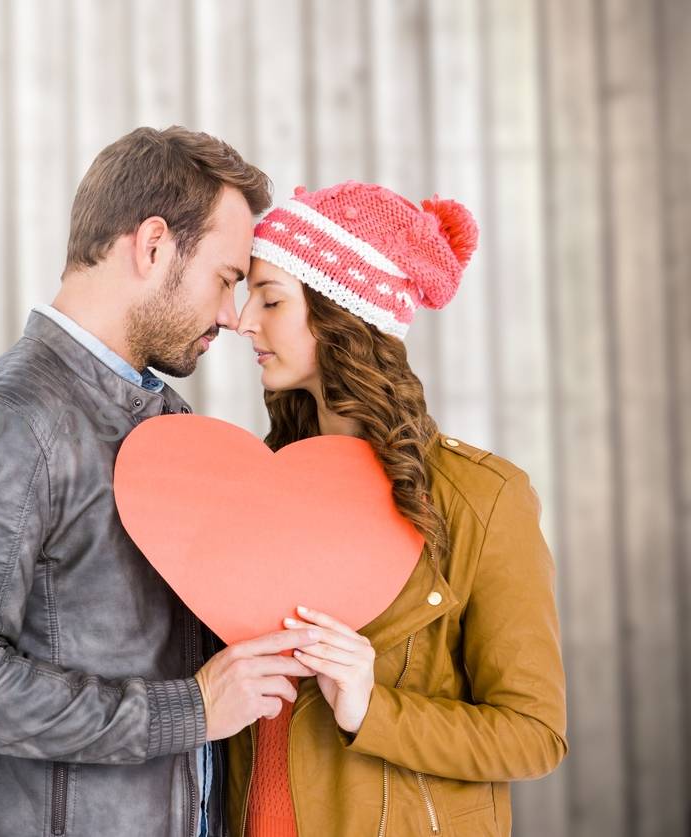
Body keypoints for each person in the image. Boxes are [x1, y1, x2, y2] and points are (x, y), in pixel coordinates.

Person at [0, 126, 322, 837]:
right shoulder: (4, 423)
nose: (231, 313)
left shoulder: (168, 421)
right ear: (153, 244)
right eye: (225, 278)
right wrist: (189, 710)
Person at [228, 181, 569, 836]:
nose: (244, 320)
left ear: (341, 318)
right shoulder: (258, 484)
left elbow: (534, 734)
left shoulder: (484, 500)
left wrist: (370, 707)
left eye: (270, 299)